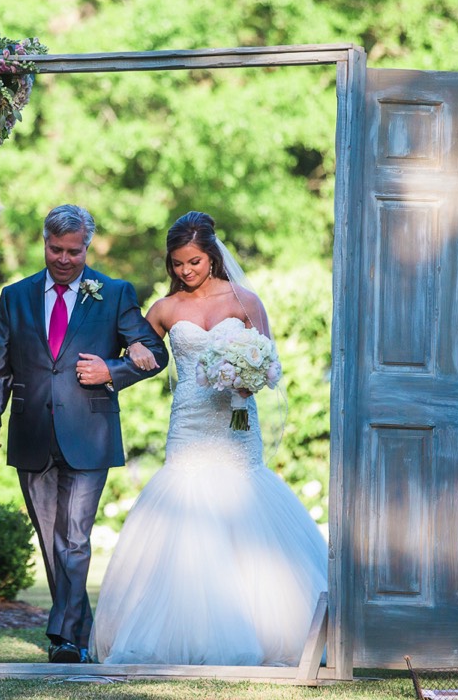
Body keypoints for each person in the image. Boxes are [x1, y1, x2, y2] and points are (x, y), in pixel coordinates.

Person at [90, 211, 328, 666]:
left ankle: (267, 630)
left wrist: (248, 380)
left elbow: (270, 362)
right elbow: (139, 350)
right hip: (189, 422)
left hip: (236, 420)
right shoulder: (163, 309)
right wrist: (134, 350)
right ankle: (177, 636)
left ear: (212, 256)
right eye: (178, 263)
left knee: (243, 505)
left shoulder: (245, 300)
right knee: (185, 506)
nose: (186, 271)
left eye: (194, 261)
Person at [0, 204, 168, 664]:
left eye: (74, 252)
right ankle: (76, 635)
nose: (64, 259)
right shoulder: (14, 296)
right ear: (44, 243)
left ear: (88, 247)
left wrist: (113, 368)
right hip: (31, 433)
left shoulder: (114, 293)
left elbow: (155, 353)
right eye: (56, 249)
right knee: (50, 537)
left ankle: (63, 636)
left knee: (75, 538)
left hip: (90, 433)